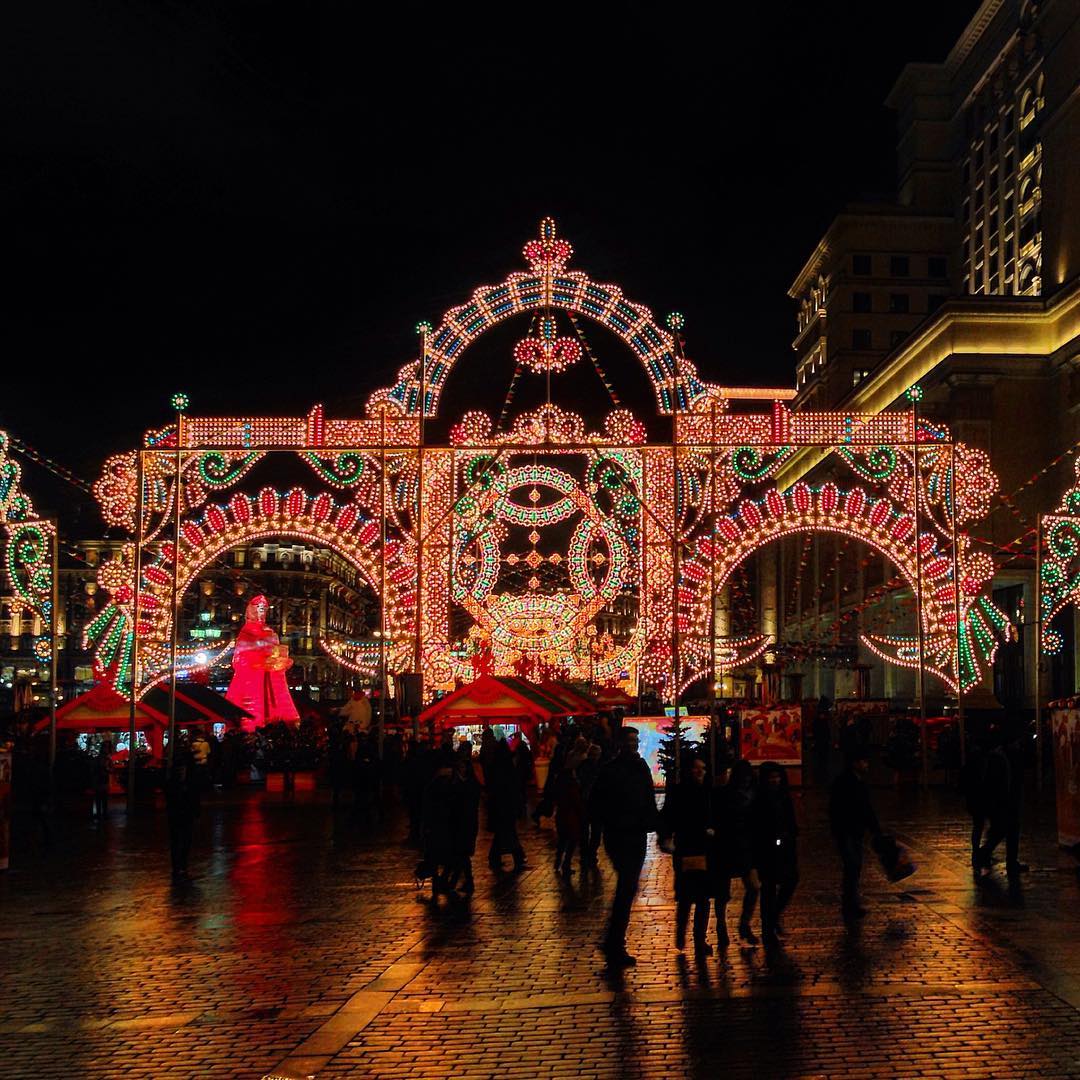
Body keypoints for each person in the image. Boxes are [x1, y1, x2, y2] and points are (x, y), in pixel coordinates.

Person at [589, 725, 659, 967]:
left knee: (627, 888)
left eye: (635, 740)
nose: (633, 744)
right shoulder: (610, 771)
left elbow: (648, 798)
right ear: (620, 743)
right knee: (627, 886)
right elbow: (597, 803)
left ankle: (613, 941)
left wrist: (654, 825)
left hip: (636, 834)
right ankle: (614, 942)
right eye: (629, 740)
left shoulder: (640, 767)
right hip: (619, 835)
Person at [661, 756, 715, 955]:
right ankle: (682, 932)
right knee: (686, 896)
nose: (701, 772)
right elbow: (668, 817)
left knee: (702, 897)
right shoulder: (680, 792)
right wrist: (667, 838)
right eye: (697, 768)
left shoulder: (707, 791)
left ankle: (699, 939)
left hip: (704, 849)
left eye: (703, 768)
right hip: (687, 848)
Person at [828, 746, 882, 922]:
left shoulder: (858, 782)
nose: (867, 764)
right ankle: (850, 904)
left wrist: (875, 829)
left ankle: (851, 903)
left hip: (855, 831)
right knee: (852, 866)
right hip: (847, 831)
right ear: (855, 763)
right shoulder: (846, 783)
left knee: (854, 868)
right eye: (864, 761)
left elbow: (867, 809)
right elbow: (840, 808)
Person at [752, 762, 798, 954]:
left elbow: (790, 819)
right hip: (766, 849)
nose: (775, 780)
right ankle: (767, 928)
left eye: (777, 777)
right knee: (769, 888)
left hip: (785, 846)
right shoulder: (760, 798)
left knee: (791, 879)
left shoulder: (783, 796)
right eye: (771, 777)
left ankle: (773, 917)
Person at [713, 759, 760, 947]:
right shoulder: (726, 795)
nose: (746, 781)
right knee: (722, 892)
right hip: (727, 845)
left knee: (753, 886)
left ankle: (743, 924)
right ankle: (722, 926)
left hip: (745, 847)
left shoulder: (754, 795)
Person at [976, 718, 1028, 882]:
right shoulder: (999, 758)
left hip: (1008, 799)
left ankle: (1008, 861)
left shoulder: (1005, 756)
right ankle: (985, 854)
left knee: (1008, 831)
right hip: (1001, 801)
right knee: (1002, 831)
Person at [486, 739, 527, 872]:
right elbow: (514, 787)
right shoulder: (508, 766)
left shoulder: (494, 766)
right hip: (507, 806)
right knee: (507, 832)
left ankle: (499, 857)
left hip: (499, 806)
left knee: (503, 832)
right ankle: (516, 855)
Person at [447, 743, 481, 896]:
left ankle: (456, 882)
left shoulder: (466, 784)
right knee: (461, 853)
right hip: (461, 821)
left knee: (462, 852)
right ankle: (462, 881)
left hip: (465, 822)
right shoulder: (461, 783)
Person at [421, 751, 457, 897]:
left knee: (437, 856)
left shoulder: (432, 785)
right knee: (447, 855)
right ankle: (441, 881)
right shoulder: (445, 784)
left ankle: (439, 882)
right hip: (443, 824)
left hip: (437, 825)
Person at [165, 750, 200, 883]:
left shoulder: (175, 782)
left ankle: (180, 866)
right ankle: (179, 867)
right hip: (180, 815)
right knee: (180, 841)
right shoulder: (187, 782)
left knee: (181, 842)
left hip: (181, 815)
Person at [554, 743, 587, 878]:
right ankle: (565, 864)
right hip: (570, 815)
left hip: (562, 813)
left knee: (563, 840)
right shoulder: (571, 781)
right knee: (572, 839)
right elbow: (575, 799)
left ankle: (558, 862)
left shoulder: (560, 779)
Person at [578, 742, 604, 867]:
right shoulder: (599, 768)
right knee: (596, 831)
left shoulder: (581, 766)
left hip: (583, 802)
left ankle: (585, 854)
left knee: (584, 831)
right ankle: (591, 854)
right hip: (596, 804)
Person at [92, 740, 112, 824]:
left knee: (101, 797)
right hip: (101, 779)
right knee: (102, 797)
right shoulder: (105, 759)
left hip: (101, 779)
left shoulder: (101, 758)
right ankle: (103, 813)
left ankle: (101, 813)